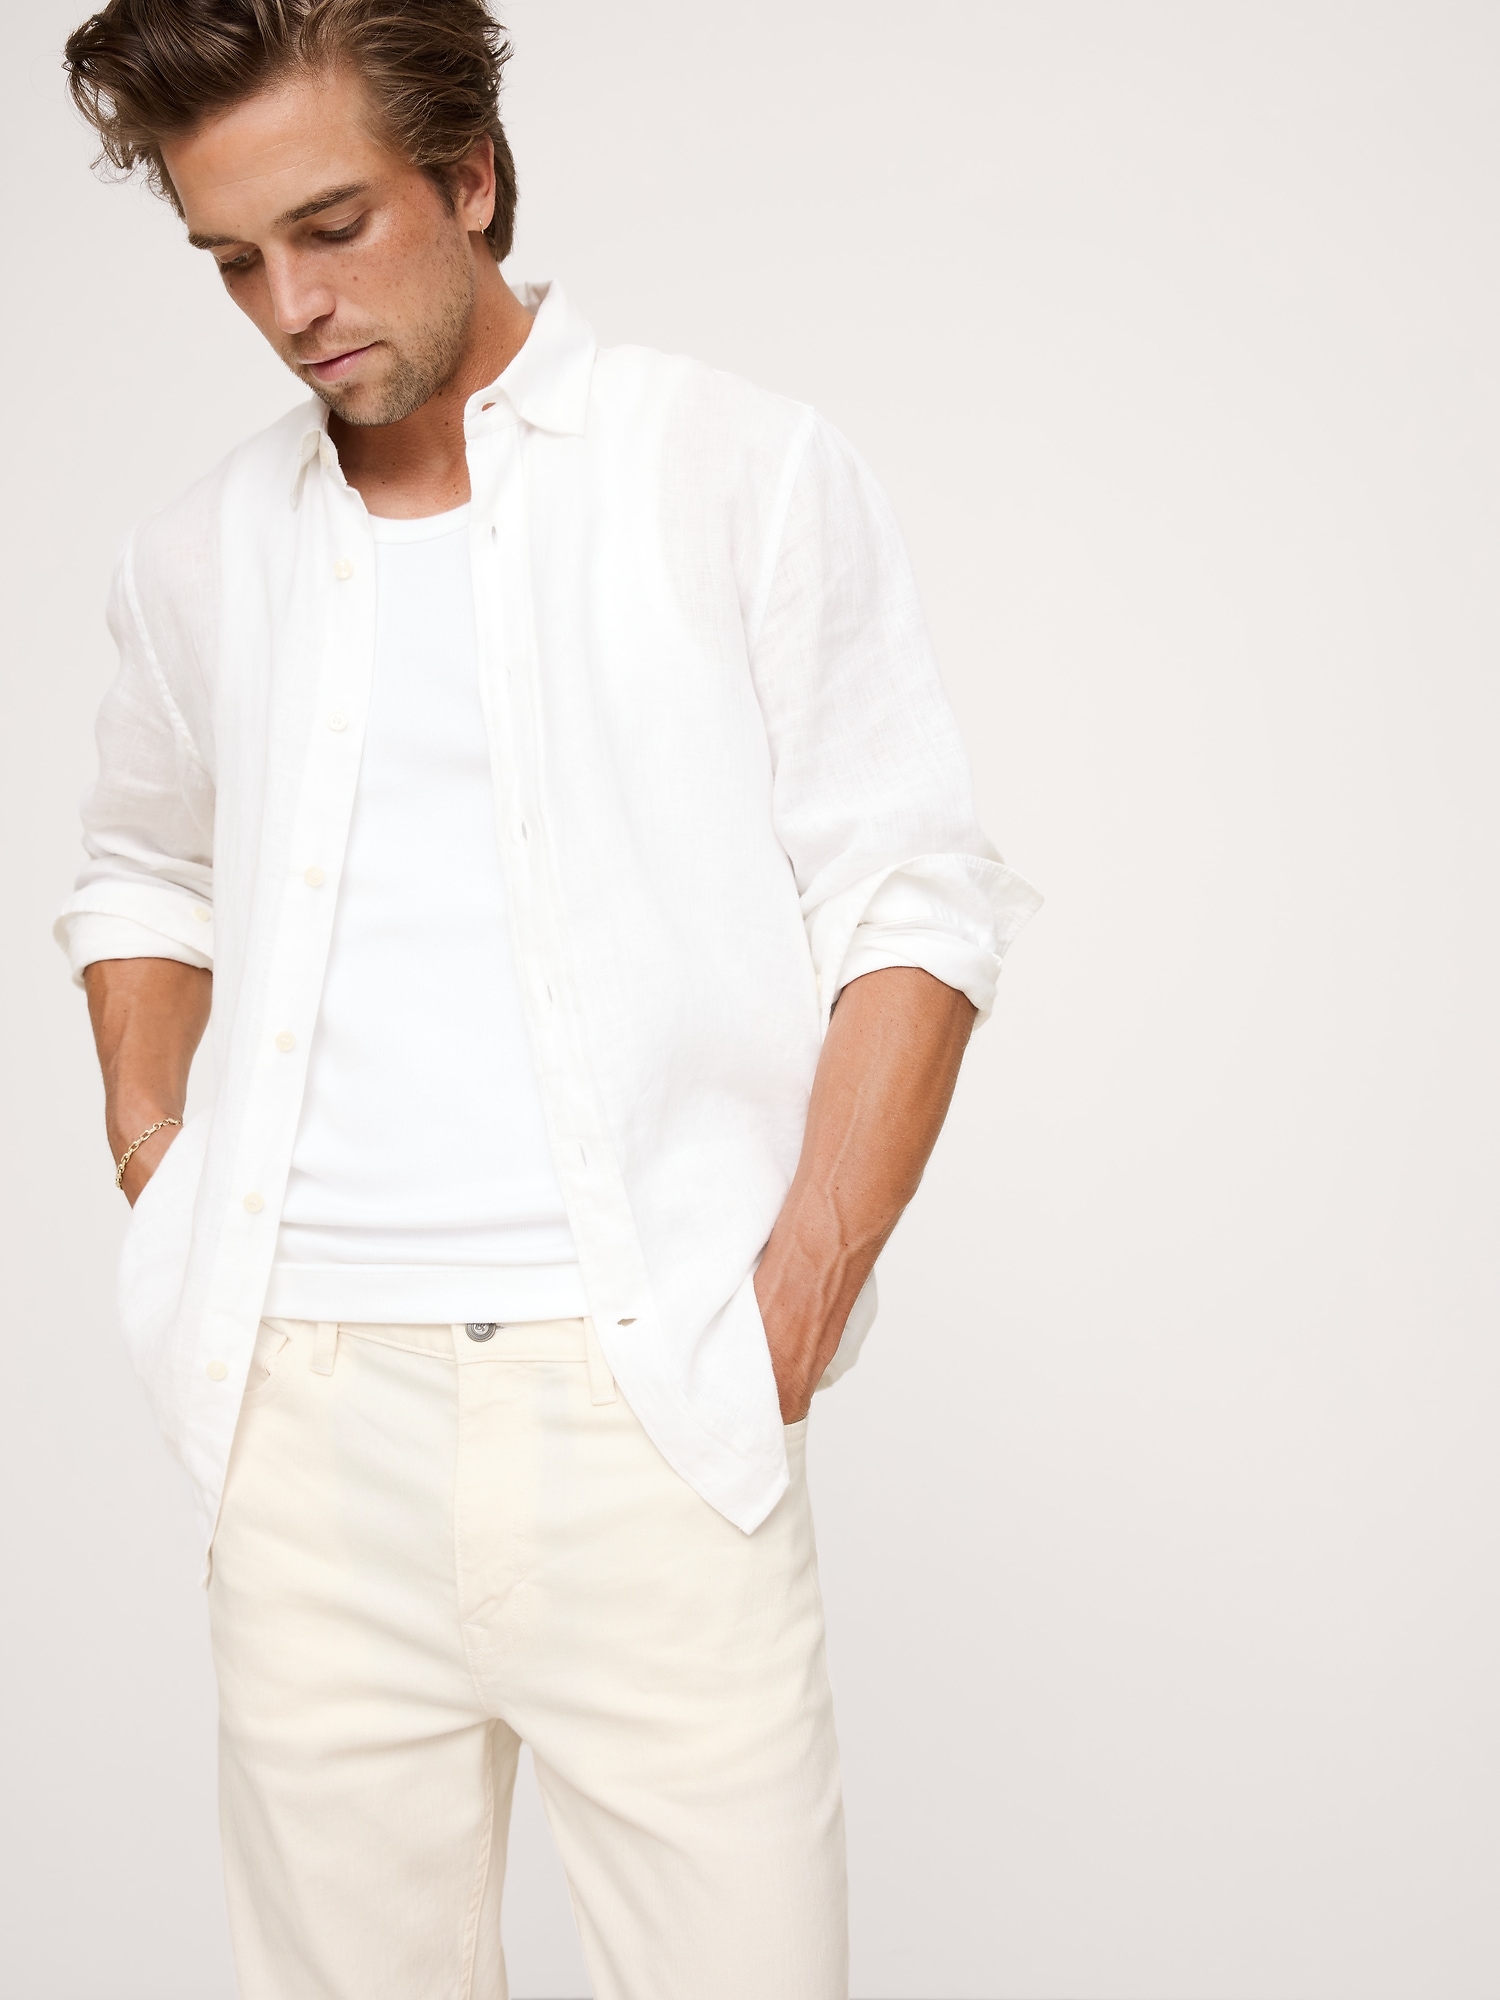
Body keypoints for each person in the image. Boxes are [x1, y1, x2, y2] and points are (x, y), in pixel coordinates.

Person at [56, 3, 1040, 1995]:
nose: (288, 307)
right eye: (233, 259)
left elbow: (913, 897)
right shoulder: (198, 554)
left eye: (332, 227)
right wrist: (161, 1154)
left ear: (472, 178)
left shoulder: (735, 470)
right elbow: (139, 868)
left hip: (652, 1400)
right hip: (303, 1417)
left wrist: (794, 1295)